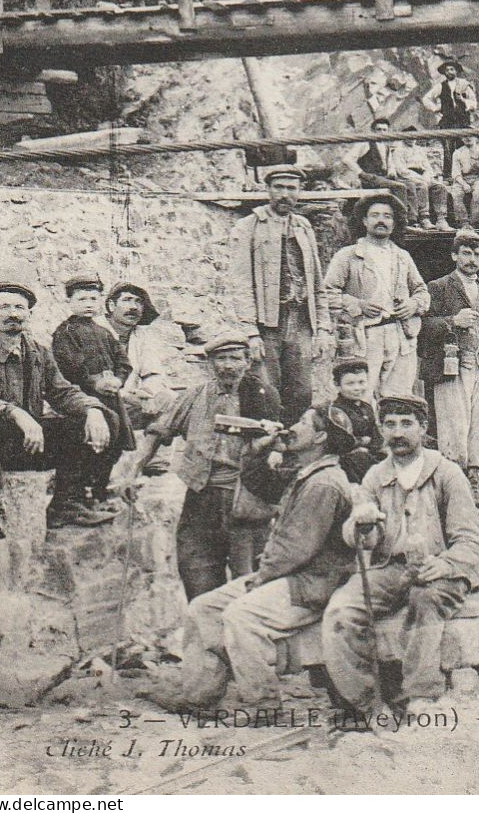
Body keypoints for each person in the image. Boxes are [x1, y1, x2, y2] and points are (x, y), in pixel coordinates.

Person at [157, 407, 356, 713]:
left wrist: (259, 579)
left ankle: (263, 704)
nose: (293, 426)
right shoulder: (306, 472)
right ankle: (200, 696)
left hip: (312, 585)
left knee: (241, 616)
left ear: (319, 437)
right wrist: (258, 451)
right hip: (290, 577)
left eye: (302, 422)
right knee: (203, 608)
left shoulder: (323, 484)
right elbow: (255, 482)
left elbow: (295, 548)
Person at [328, 394, 479, 717]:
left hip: (440, 570)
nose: (397, 433)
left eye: (406, 424)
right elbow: (361, 539)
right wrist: (363, 524)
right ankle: (365, 702)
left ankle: (421, 696)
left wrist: (443, 564)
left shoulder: (447, 474)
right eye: (389, 425)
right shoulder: (375, 476)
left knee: (424, 600)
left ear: (423, 428)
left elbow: (470, 542)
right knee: (341, 610)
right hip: (391, 569)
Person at [0, 274, 115, 537]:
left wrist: (93, 410)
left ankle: (66, 505)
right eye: (5, 307)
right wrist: (13, 411)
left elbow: (62, 392)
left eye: (19, 308)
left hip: (21, 445)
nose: (12, 314)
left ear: (29, 313)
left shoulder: (37, 352)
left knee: (95, 418)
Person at [127, 334, 280, 600]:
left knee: (249, 584)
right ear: (210, 363)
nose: (228, 366)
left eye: (235, 358)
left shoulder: (262, 395)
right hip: (201, 497)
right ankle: (208, 639)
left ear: (246, 362)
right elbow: (159, 431)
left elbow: (278, 447)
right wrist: (132, 471)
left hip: (245, 501)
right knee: (197, 575)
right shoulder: (196, 395)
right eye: (221, 359)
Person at [230, 165, 325, 425]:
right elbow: (240, 282)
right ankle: (265, 452)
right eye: (279, 188)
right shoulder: (249, 226)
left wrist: (323, 329)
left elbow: (317, 283)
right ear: (268, 189)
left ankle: (291, 446)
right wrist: (250, 332)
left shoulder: (304, 227)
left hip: (301, 321)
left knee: (302, 392)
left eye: (291, 188)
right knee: (266, 392)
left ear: (300, 191)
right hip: (268, 324)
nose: (285, 194)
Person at [421, 228, 479, 509]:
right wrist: (452, 321)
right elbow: (420, 326)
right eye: (466, 253)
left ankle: (473, 479)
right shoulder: (439, 287)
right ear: (454, 255)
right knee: (454, 427)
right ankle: (452, 487)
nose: (472, 259)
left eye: (477, 254)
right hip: (453, 368)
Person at [323, 194, 430, 399]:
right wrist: (358, 305)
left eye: (388, 216)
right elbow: (327, 293)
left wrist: (413, 305)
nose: (381, 220)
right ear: (364, 221)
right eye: (375, 215)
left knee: (398, 399)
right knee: (362, 398)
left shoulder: (402, 257)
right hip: (364, 336)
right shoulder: (348, 255)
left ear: (394, 222)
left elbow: (422, 291)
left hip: (400, 336)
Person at [50, 274, 132, 511]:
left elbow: (123, 361)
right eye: (82, 299)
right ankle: (83, 491)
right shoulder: (65, 332)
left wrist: (118, 379)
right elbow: (67, 367)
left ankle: (100, 489)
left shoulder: (105, 332)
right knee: (91, 445)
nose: (88, 304)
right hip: (85, 399)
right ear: (70, 302)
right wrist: (94, 383)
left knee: (114, 444)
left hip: (112, 398)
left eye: (93, 299)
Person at [100, 282, 172, 429]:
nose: (134, 307)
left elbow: (153, 374)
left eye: (138, 302)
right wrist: (131, 397)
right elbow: (96, 382)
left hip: (130, 402)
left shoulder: (141, 335)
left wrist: (147, 393)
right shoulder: (95, 330)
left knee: (170, 400)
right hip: (98, 402)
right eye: (127, 300)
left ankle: (148, 449)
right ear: (112, 306)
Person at [324, 356, 382, 483]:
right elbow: (343, 442)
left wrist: (372, 445)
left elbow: (376, 435)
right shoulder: (336, 411)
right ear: (337, 386)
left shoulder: (366, 407)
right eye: (350, 384)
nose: (357, 388)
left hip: (369, 455)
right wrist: (363, 442)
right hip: (348, 463)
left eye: (361, 382)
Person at [383, 125, 450, 231]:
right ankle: (424, 218)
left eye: (414, 136)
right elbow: (401, 170)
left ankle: (441, 219)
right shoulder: (399, 150)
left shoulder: (419, 150)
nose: (412, 139)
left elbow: (428, 167)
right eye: (409, 136)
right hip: (408, 177)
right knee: (422, 186)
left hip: (423, 176)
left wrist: (427, 176)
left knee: (440, 186)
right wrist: (420, 178)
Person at [421, 57, 478, 181]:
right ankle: (448, 177)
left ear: (456, 71)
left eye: (452, 69)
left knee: (464, 148)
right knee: (448, 150)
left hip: (463, 122)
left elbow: (474, 103)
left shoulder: (464, 85)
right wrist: (436, 108)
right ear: (444, 73)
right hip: (447, 123)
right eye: (447, 70)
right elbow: (426, 99)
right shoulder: (440, 86)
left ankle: (465, 174)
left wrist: (463, 101)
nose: (449, 72)